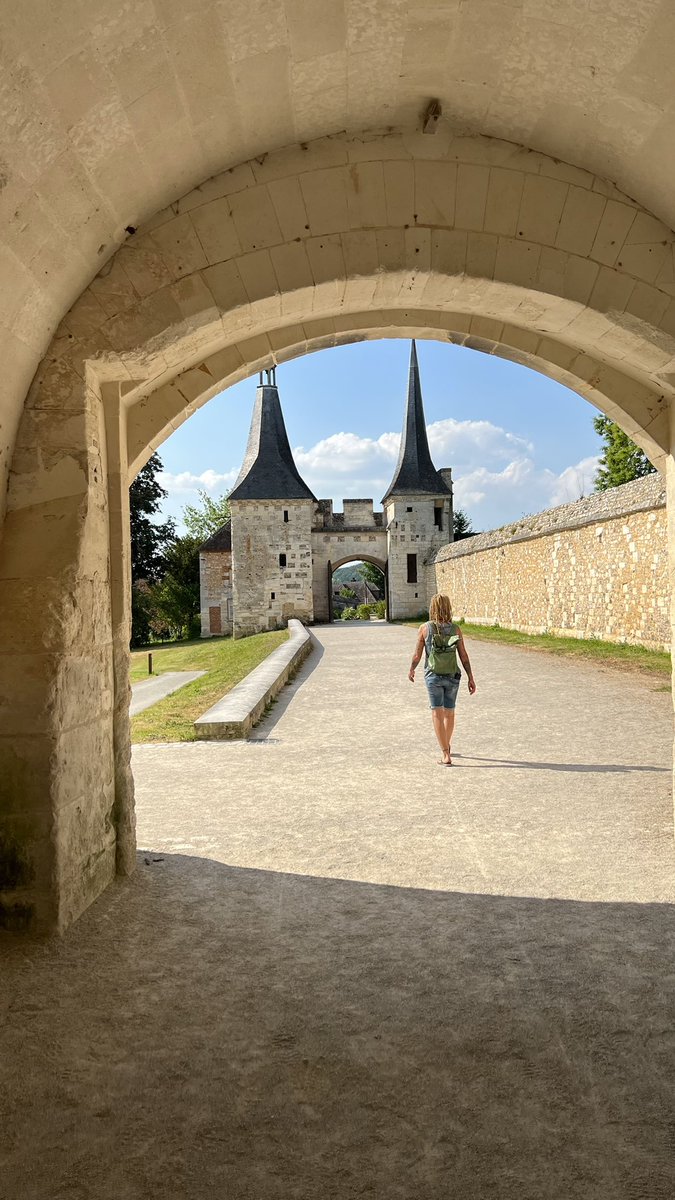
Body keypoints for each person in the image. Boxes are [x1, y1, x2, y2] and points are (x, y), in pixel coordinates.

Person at [408, 593, 476, 765]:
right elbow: (464, 656)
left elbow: (417, 655)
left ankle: (445, 753)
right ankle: (447, 745)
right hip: (452, 675)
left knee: (437, 712)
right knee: (450, 712)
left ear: (432, 608)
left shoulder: (425, 628)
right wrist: (470, 677)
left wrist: (411, 669)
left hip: (433, 676)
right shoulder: (456, 629)